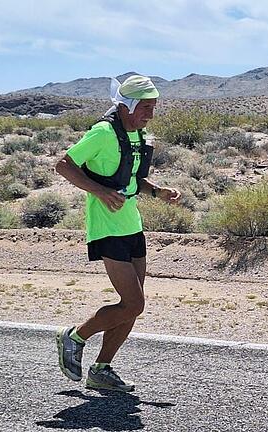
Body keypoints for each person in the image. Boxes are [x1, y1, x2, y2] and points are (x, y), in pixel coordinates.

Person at [54, 75, 180, 392]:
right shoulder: (102, 133)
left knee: (132, 304)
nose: (150, 114)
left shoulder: (137, 136)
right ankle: (75, 336)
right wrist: (99, 192)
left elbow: (133, 179)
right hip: (107, 227)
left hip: (132, 225)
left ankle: (101, 369)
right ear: (128, 105)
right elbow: (64, 165)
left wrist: (157, 192)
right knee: (134, 303)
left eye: (153, 108)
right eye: (146, 108)